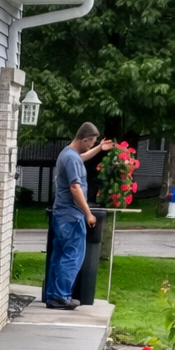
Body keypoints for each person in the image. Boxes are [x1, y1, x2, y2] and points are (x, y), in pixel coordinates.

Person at [46, 124, 114, 310]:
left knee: (60, 255)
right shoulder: (71, 158)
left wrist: (99, 148)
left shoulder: (67, 154)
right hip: (72, 216)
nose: (91, 145)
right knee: (72, 256)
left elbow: (80, 157)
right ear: (84, 139)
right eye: (91, 142)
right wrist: (88, 213)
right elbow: (75, 188)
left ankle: (53, 296)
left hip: (62, 214)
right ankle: (61, 296)